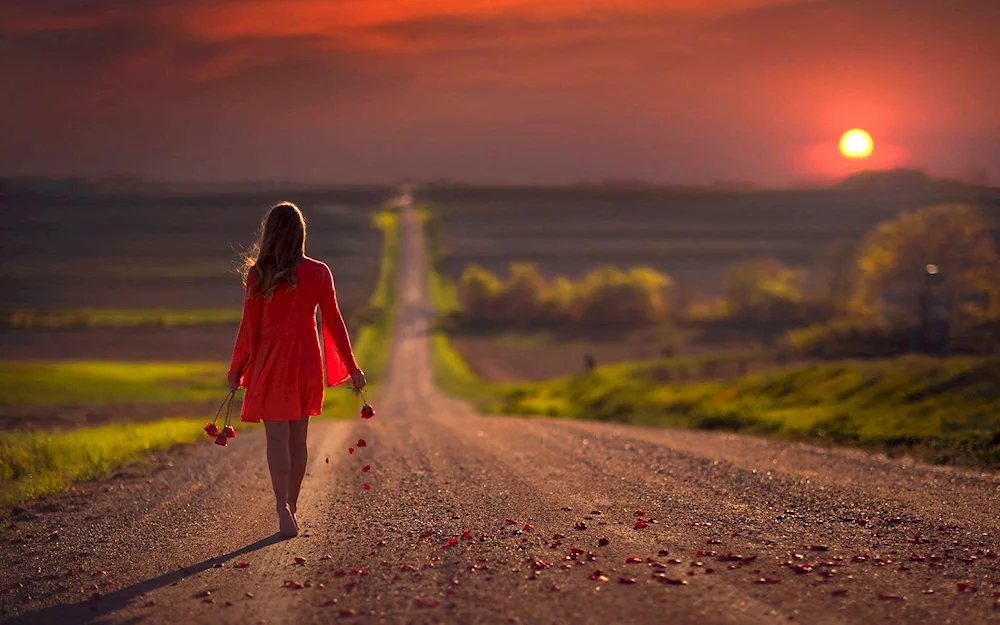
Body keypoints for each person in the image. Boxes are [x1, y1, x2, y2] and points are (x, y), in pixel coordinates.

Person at [228, 202, 365, 538]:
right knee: (297, 440)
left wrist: (238, 369)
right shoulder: (319, 272)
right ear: (301, 234)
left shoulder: (258, 273)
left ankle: (282, 508)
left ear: (270, 234)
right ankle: (292, 503)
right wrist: (352, 367)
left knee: (276, 439)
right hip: (306, 362)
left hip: (271, 363)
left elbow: (250, 327)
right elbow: (334, 324)